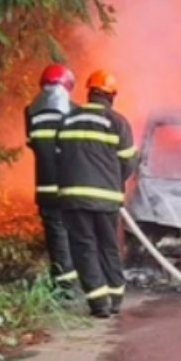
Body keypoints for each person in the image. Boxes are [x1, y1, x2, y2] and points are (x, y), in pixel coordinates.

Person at [56, 70, 137, 318]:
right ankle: (115, 298)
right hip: (106, 199)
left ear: (89, 92)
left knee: (84, 247)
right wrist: (113, 182)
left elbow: (60, 158)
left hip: (73, 198)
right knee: (108, 245)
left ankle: (98, 303)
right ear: (111, 95)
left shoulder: (68, 120)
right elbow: (128, 162)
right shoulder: (117, 122)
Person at [26, 64, 77, 289]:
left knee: (56, 236)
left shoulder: (30, 112)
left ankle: (63, 283)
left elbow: (33, 144)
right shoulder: (75, 111)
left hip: (45, 187)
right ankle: (76, 283)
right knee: (77, 232)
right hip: (72, 185)